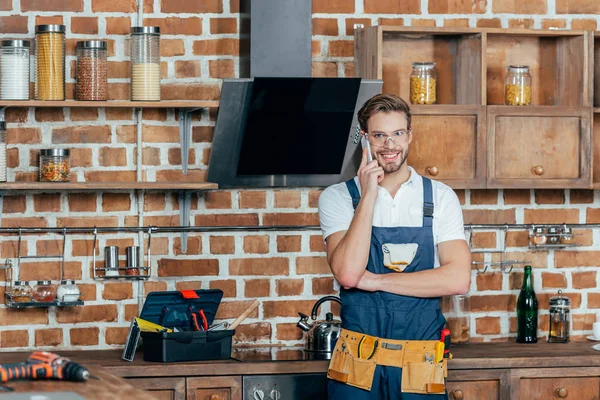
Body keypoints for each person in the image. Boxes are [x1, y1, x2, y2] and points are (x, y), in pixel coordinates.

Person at [318, 93, 471, 399]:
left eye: (398, 134)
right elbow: (348, 275)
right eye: (379, 136)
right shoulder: (336, 198)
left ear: (409, 135)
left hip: (420, 365)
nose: (390, 145)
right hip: (357, 366)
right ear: (365, 139)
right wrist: (369, 196)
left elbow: (457, 279)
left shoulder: (440, 197)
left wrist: (374, 281)